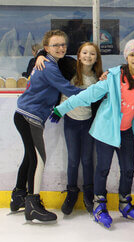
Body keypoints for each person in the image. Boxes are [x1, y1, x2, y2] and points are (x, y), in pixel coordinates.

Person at [51, 39, 134, 228]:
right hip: (106, 130)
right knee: (102, 168)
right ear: (126, 56)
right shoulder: (113, 76)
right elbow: (87, 95)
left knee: (128, 169)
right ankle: (99, 205)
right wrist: (61, 109)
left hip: (126, 130)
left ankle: (125, 204)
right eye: (132, 54)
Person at [10, 30, 82, 222]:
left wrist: (41, 55)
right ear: (47, 48)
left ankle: (18, 196)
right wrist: (95, 92)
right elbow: (67, 89)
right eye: (55, 45)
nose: (60, 48)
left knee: (30, 156)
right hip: (29, 116)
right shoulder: (49, 67)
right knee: (39, 159)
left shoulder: (48, 61)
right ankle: (32, 204)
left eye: (63, 45)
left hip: (24, 115)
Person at [58, 42, 103, 215]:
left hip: (88, 123)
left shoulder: (98, 78)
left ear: (96, 58)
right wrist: (39, 55)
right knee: (73, 159)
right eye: (84, 52)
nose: (88, 56)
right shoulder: (70, 73)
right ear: (78, 55)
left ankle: (88, 192)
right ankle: (71, 192)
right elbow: (50, 57)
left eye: (92, 54)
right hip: (71, 122)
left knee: (87, 159)